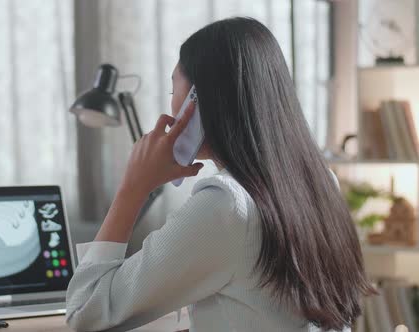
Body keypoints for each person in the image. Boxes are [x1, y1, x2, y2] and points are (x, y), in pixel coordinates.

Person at [65, 17, 375, 332]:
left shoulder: (225, 206)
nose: (171, 107)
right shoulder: (322, 183)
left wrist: (132, 188)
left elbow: (85, 313)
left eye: (175, 89)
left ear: (197, 102)